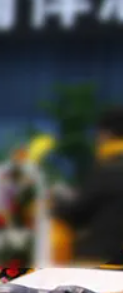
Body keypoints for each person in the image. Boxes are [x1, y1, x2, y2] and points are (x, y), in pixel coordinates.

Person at [56, 106, 123, 266]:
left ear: (105, 134)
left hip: (103, 260)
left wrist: (53, 204)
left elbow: (75, 214)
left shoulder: (108, 167)